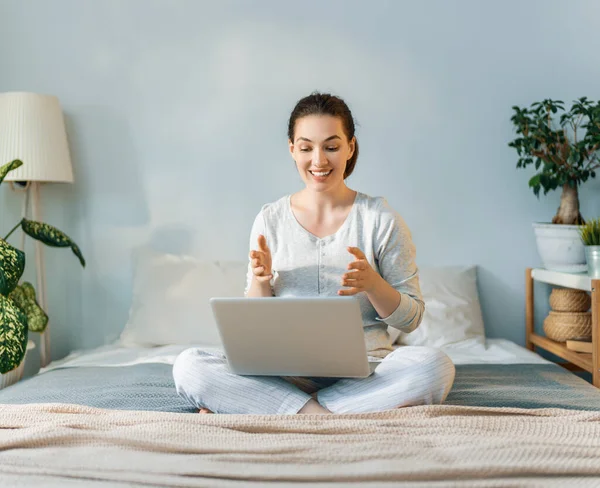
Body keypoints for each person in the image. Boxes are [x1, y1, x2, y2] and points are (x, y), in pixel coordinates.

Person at [173, 92, 455, 415]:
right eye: (306, 148)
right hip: (285, 375)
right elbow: (254, 327)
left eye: (331, 147)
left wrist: (373, 284)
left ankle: (295, 411)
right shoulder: (270, 219)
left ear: (350, 147)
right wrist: (262, 281)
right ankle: (328, 412)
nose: (319, 161)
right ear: (292, 150)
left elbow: (412, 319)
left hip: (366, 373)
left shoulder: (380, 219)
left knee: (436, 367)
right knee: (188, 366)